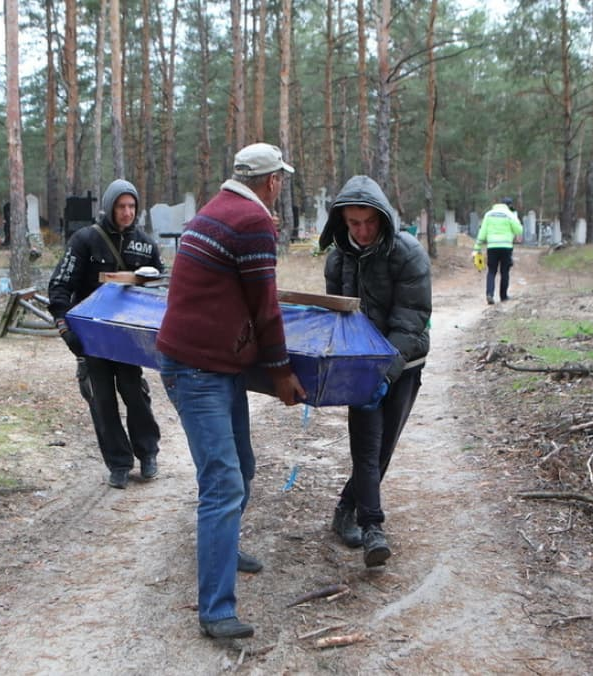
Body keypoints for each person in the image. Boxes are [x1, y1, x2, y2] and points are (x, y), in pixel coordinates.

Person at [156, 143, 306, 640]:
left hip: (212, 364)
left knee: (240, 467)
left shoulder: (217, 209)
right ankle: (216, 611)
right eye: (280, 180)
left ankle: (224, 545)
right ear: (271, 182)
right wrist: (282, 372)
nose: (280, 187)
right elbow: (266, 306)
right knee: (223, 483)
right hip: (198, 370)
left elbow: (243, 296)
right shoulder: (252, 221)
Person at [318, 175, 431, 568]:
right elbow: (338, 318)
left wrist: (387, 372)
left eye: (369, 222)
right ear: (342, 222)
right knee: (366, 447)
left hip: (406, 362)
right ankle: (372, 529)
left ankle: (346, 507)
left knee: (384, 448)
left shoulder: (408, 254)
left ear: (382, 217)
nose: (362, 232)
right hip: (361, 367)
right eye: (353, 224)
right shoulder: (337, 258)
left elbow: (411, 321)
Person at [48, 179, 163, 489]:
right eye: (121, 206)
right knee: (101, 401)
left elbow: (159, 291)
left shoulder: (146, 244)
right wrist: (65, 328)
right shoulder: (85, 240)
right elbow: (59, 287)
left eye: (131, 206)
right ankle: (118, 463)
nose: (126, 212)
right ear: (111, 206)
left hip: (127, 338)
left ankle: (148, 453)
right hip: (91, 336)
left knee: (134, 395)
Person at [474, 197, 523, 304]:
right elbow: (519, 230)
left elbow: (482, 232)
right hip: (506, 247)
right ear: (508, 206)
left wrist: (477, 247)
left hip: (492, 247)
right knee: (504, 272)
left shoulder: (488, 214)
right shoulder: (509, 214)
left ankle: (489, 294)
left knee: (491, 271)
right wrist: (515, 218)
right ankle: (503, 296)